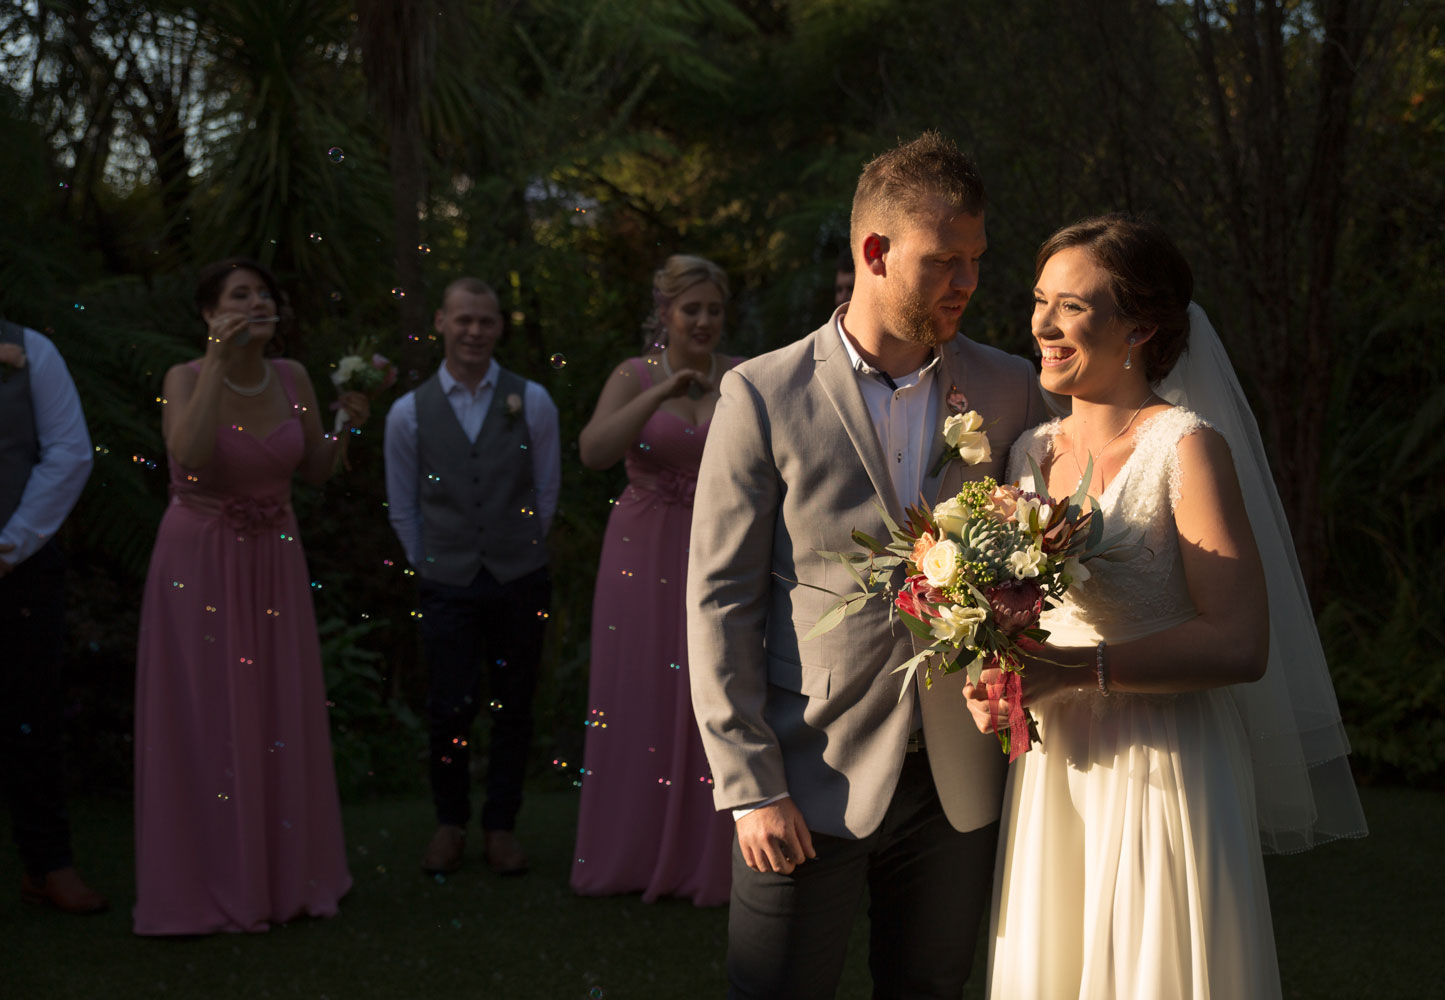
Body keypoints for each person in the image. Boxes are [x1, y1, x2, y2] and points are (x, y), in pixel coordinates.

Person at [686, 132, 1051, 998]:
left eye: (976, 260)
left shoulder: (1008, 389)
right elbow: (720, 603)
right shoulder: (762, 394)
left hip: (958, 786)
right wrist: (749, 787)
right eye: (944, 261)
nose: (967, 282)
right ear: (875, 252)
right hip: (808, 774)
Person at [965, 215, 1367, 997]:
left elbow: (1241, 645)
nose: (1043, 324)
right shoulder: (1029, 454)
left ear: (1140, 327)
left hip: (1164, 760)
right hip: (1055, 771)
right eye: (1041, 299)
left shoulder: (1186, 447)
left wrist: (1073, 670)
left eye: (1073, 307)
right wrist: (1000, 677)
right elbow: (1021, 615)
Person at [134, 258, 364, 934]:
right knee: (207, 710)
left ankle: (286, 872)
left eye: (266, 293)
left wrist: (347, 424)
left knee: (275, 703)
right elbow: (192, 453)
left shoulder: (292, 378)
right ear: (209, 314)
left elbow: (317, 471)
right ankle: (210, 876)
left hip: (274, 561)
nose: (259, 302)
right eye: (241, 296)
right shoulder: (183, 378)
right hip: (200, 562)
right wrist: (214, 361)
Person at [571, 254, 740, 906]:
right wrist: (659, 395)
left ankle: (710, 855)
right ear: (664, 312)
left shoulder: (741, 376)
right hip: (643, 548)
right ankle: (632, 852)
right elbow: (593, 451)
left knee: (715, 684)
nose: (702, 320)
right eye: (690, 308)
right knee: (640, 684)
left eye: (713, 309)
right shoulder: (632, 375)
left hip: (718, 547)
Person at [383, 277, 559, 877]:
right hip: (446, 581)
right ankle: (450, 823)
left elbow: (547, 488)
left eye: (485, 321)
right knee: (448, 708)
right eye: (464, 320)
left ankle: (502, 827)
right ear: (441, 322)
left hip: (520, 576)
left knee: (515, 707)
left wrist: (522, 548)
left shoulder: (530, 400)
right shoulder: (407, 414)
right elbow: (402, 503)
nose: (475, 331)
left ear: (499, 328)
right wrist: (429, 563)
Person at [0, 319, 106, 915]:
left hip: (20, 565)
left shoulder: (32, 348)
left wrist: (10, 546)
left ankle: (48, 865)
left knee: (30, 717)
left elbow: (70, 452)